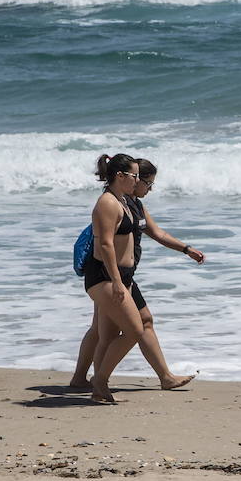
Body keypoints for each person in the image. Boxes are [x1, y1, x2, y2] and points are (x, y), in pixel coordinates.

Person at [68, 162, 205, 393]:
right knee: (109, 332)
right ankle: (96, 381)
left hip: (124, 276)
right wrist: (117, 281)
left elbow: (157, 233)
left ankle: (164, 376)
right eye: (148, 182)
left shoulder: (135, 205)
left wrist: (186, 249)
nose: (149, 188)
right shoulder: (111, 203)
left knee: (141, 322)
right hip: (108, 275)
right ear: (133, 178)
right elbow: (105, 244)